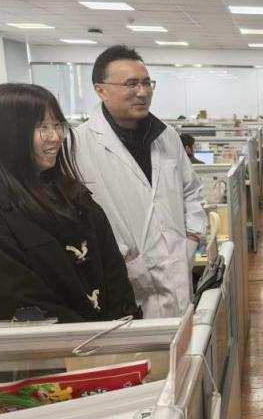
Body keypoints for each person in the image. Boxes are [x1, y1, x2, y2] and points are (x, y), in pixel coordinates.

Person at [0, 84, 141, 326]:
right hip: (50, 348)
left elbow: (115, 277)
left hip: (110, 342)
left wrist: (120, 331)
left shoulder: (75, 197)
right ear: (6, 134)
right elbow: (21, 311)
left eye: (57, 125)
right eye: (42, 127)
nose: (55, 136)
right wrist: (93, 337)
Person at [74, 45, 207, 318]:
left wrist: (192, 237)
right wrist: (121, 257)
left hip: (177, 269)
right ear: (101, 90)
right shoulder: (78, 145)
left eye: (147, 83)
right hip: (126, 282)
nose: (143, 92)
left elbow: (191, 190)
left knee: (183, 340)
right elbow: (78, 217)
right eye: (131, 84)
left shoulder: (167, 136)